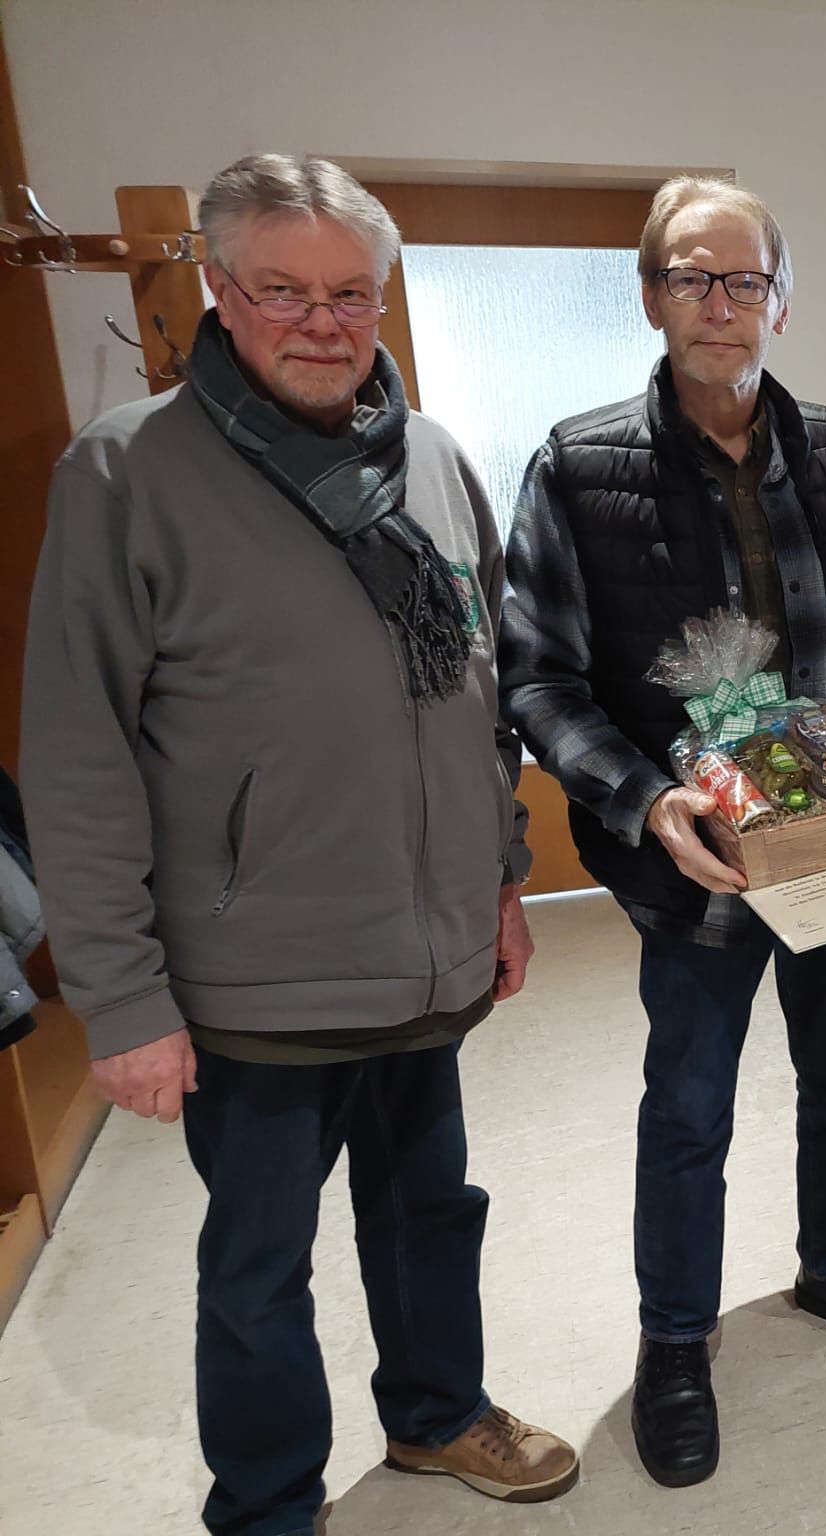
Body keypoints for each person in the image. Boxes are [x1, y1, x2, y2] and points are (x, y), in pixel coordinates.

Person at [19, 154, 576, 1536]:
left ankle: (436, 1413)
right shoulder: (128, 471)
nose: (323, 324)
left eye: (350, 294)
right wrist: (124, 999)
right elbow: (79, 754)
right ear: (218, 289)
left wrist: (503, 884)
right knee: (259, 1264)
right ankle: (268, 1505)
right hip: (255, 972)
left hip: (427, 947)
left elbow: (479, 703)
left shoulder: (433, 457)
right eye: (283, 291)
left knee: (431, 1207)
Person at [500, 175, 826, 1491]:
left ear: (779, 301)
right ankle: (674, 1339)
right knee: (690, 1107)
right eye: (691, 277)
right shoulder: (579, 467)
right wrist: (648, 799)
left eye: (742, 279)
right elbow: (537, 675)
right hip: (690, 866)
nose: (719, 302)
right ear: (652, 296)